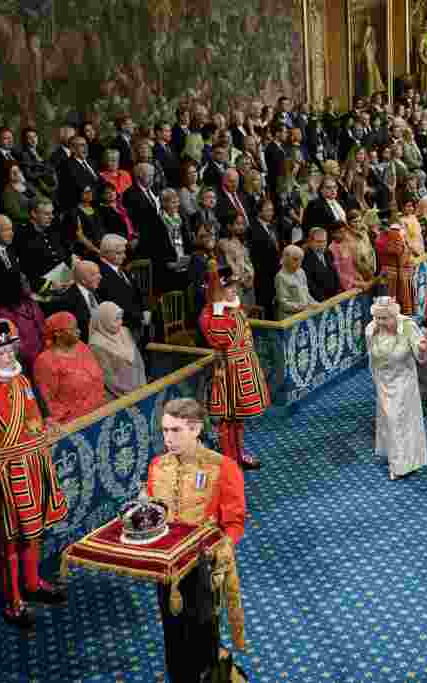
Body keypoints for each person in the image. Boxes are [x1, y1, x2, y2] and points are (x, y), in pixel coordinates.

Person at [0, 319, 69, 627]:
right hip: (3, 472)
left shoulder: (20, 381)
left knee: (33, 532)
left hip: (32, 463)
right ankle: (14, 600)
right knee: (9, 540)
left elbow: (32, 417)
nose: (8, 356)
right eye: (0, 353)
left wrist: (42, 431)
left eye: (9, 350)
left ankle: (32, 583)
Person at [148, 398, 246, 683]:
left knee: (203, 632)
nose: (168, 438)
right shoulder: (157, 466)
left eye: (176, 431)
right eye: (165, 431)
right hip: (166, 568)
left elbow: (234, 521)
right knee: (172, 632)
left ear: (195, 429)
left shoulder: (222, 467)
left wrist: (225, 548)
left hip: (205, 566)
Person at [199, 263, 270, 470]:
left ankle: (239, 454)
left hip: (244, 366)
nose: (234, 291)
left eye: (234, 287)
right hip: (228, 371)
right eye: (228, 288)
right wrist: (220, 312)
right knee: (228, 418)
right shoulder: (209, 314)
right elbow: (220, 338)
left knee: (238, 418)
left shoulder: (233, 307)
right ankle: (230, 461)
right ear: (216, 291)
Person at [365, 297, 427, 480]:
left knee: (399, 420)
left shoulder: (408, 327)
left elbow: (421, 350)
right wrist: (376, 380)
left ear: (394, 315)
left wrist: (424, 348)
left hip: (404, 381)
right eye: (377, 318)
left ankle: (401, 465)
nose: (380, 322)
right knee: (388, 420)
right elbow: (371, 358)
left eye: (384, 318)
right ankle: (391, 454)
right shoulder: (370, 329)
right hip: (383, 381)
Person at [33, 312, 107, 425]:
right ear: (58, 333)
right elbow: (46, 402)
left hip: (102, 413)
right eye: (72, 329)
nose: (78, 331)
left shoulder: (82, 347)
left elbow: (98, 378)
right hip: (76, 425)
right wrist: (72, 416)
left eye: (77, 327)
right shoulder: (45, 361)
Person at [88, 301, 147, 399]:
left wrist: (142, 385)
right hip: (119, 395)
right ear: (105, 320)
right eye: (116, 319)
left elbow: (138, 361)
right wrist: (130, 394)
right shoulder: (96, 344)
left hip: (139, 387)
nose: (121, 322)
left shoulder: (124, 331)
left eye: (121, 318)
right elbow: (108, 377)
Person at [375, 223, 418, 315]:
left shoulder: (381, 239)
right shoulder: (393, 238)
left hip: (394, 275)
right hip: (395, 276)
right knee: (393, 307)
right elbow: (399, 254)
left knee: (391, 307)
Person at [275, 245, 319, 318]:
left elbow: (306, 293)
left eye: (301, 260)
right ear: (286, 259)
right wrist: (303, 307)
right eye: (295, 259)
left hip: (305, 313)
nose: (299, 263)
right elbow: (284, 304)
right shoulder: (280, 277)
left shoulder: (301, 271)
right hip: (289, 317)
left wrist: (314, 303)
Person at [301, 227, 342, 302]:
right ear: (310, 241)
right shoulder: (305, 258)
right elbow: (309, 283)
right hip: (320, 301)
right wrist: (324, 300)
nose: (322, 245)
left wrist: (338, 293)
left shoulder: (328, 253)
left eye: (324, 241)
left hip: (334, 297)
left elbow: (335, 273)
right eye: (318, 242)